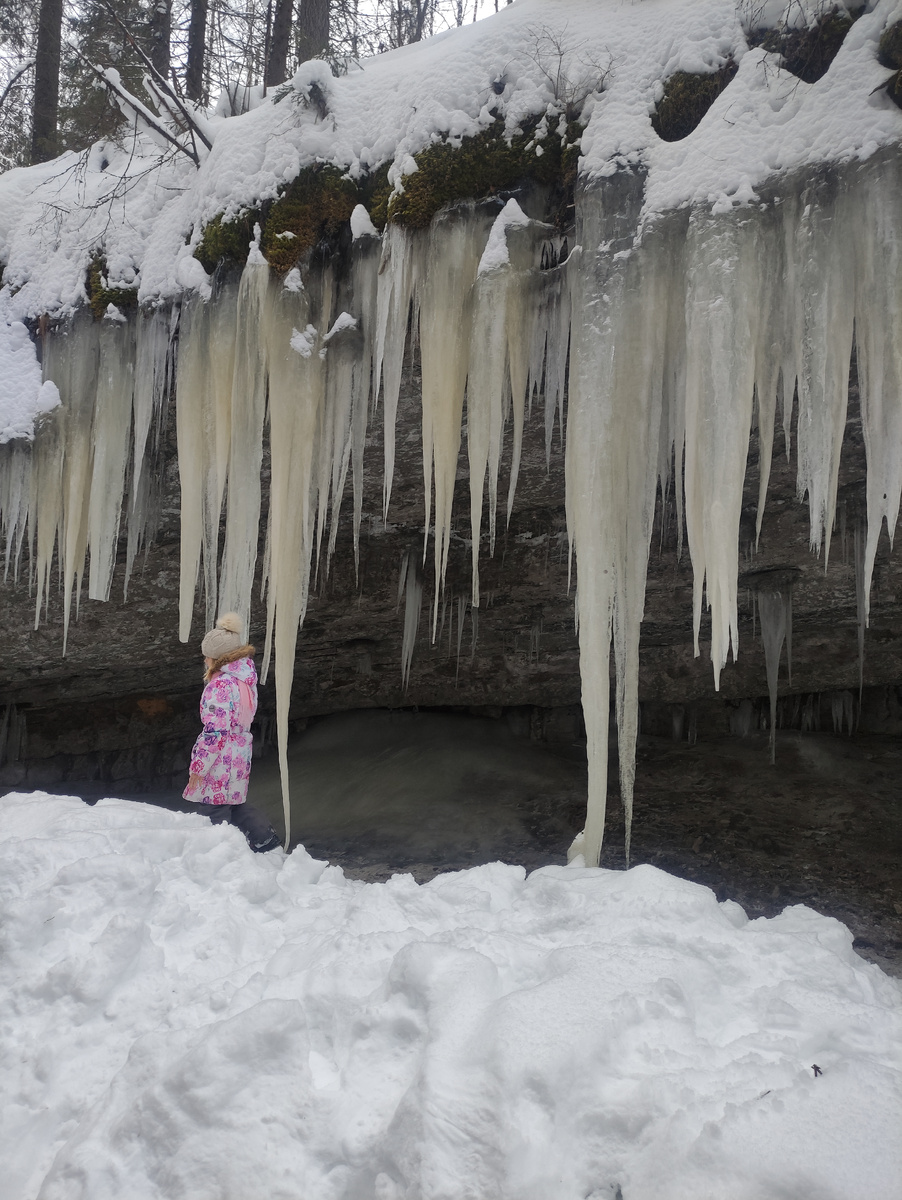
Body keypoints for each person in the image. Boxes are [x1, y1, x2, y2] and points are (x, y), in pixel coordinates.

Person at [183, 612, 281, 853]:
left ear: (217, 657)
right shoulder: (245, 680)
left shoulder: (221, 685)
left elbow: (215, 731)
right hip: (239, 754)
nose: (204, 659)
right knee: (233, 802)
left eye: (207, 655)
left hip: (220, 756)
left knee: (213, 809)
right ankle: (265, 840)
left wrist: (199, 766)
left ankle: (217, 853)